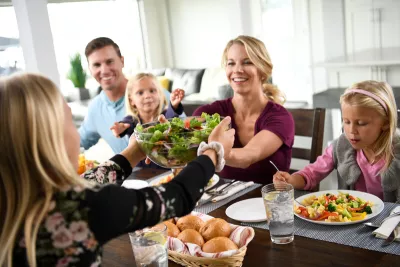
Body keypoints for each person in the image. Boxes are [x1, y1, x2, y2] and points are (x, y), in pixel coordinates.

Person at [0, 73, 235, 266]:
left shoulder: (17, 203)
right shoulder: (84, 207)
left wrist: (132, 153)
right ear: (50, 139)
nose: (75, 133)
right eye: (70, 123)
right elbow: (177, 197)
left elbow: (91, 180)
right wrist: (213, 152)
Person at [274, 80, 400, 202]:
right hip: (351, 219)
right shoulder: (341, 146)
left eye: (361, 123)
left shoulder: (397, 152)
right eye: (346, 121)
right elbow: (313, 172)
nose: (352, 130)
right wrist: (291, 181)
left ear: (385, 122)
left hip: (390, 221)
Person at [193, 35, 295, 184]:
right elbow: (184, 136)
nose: (237, 70)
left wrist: (212, 154)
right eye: (231, 63)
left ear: (263, 70)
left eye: (247, 62)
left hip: (267, 201)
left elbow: (248, 156)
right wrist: (161, 140)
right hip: (221, 201)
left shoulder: (280, 117)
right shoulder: (209, 112)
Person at [110, 73, 185, 169]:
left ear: (159, 95)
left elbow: (170, 118)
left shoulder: (164, 115)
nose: (147, 96)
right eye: (140, 93)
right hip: (142, 171)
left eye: (152, 91)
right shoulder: (132, 120)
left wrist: (173, 105)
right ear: (131, 100)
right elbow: (126, 125)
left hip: (165, 168)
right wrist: (120, 128)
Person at [78, 37, 129, 153]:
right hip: (126, 171)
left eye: (109, 61)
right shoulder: (95, 107)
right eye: (96, 65)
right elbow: (79, 141)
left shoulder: (151, 95)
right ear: (90, 70)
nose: (104, 70)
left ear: (122, 61)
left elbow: (179, 129)